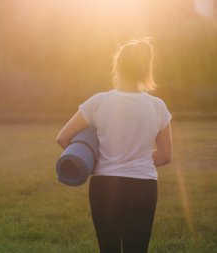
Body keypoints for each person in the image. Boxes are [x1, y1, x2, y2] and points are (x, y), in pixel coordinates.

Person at [56, 38, 172, 253]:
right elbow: (165, 156)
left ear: (117, 67)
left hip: (104, 186)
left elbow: (63, 138)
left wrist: (96, 160)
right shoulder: (157, 107)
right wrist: (138, 159)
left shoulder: (98, 102)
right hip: (143, 187)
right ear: (145, 69)